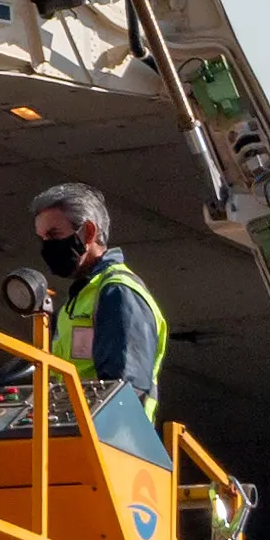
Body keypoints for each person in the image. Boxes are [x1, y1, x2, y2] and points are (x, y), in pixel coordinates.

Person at [32, 181, 167, 444]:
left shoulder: (117, 292)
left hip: (115, 446)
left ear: (88, 232)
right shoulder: (82, 297)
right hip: (76, 439)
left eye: (54, 234)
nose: (47, 247)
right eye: (42, 239)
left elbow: (125, 389)